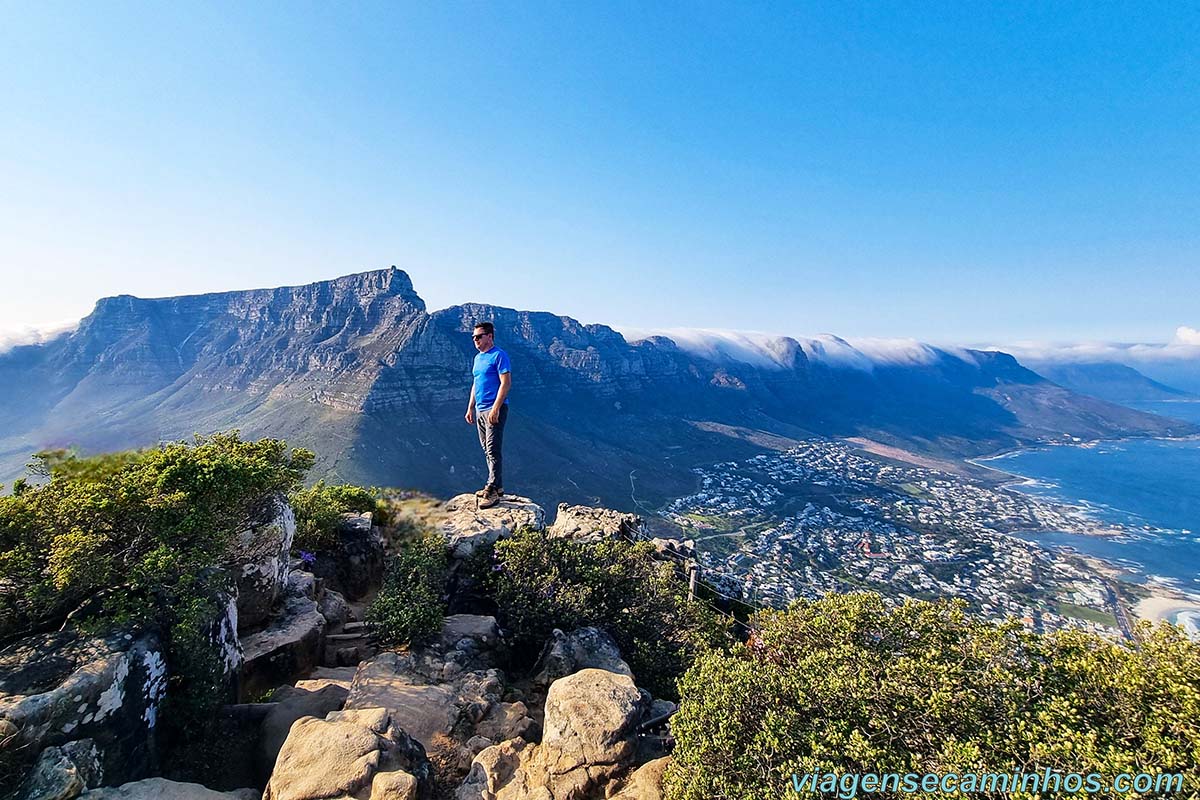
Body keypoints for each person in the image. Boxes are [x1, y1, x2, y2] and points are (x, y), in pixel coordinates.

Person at [465, 321, 511, 508]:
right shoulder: (478, 358)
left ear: (490, 336)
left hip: (494, 409)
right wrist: (470, 407)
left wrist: (496, 408)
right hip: (480, 410)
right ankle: (497, 486)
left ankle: (491, 490)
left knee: (493, 449)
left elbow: (506, 383)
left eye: (479, 336)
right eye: (473, 337)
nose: (475, 340)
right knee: (486, 449)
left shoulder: (499, 356)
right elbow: (476, 384)